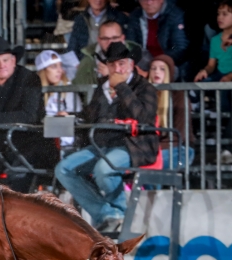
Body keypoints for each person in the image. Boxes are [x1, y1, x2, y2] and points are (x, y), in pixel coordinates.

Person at [55, 42, 158, 233]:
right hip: (100, 144)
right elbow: (89, 117)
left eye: (121, 64)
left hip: (132, 145)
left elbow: (145, 118)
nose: (116, 69)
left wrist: (121, 87)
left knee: (104, 169)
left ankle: (120, 215)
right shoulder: (101, 87)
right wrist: (70, 117)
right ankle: (107, 214)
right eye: (112, 65)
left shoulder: (144, 87)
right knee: (64, 169)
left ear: (130, 64)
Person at [0, 37, 60, 192]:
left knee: (16, 178)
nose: (1, 65)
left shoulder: (29, 78)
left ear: (13, 60)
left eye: (5, 60)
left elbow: (30, 116)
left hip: (30, 148)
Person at [150, 55, 194, 169]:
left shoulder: (179, 96)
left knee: (151, 163)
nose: (157, 72)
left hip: (177, 148)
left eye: (162, 69)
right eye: (153, 68)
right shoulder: (144, 96)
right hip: (152, 148)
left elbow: (180, 134)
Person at [125, 0, 188, 72]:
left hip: (167, 65)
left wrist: (156, 65)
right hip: (142, 64)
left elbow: (180, 48)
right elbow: (131, 45)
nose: (149, 2)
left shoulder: (175, 15)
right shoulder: (135, 16)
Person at [73, 20, 143, 85]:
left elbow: (142, 85)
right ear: (99, 40)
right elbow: (80, 88)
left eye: (115, 38)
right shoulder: (88, 59)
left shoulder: (137, 55)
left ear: (122, 38)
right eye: (105, 38)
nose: (110, 42)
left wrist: (110, 75)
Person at [36, 50, 81, 148]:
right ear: (43, 70)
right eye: (54, 67)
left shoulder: (67, 88)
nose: (59, 70)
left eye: (60, 65)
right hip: (41, 139)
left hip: (65, 140)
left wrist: (68, 115)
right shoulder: (35, 91)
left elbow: (79, 115)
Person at [194, 0, 232, 84]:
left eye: (224, 14)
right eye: (218, 14)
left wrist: (229, 77)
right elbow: (211, 65)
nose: (219, 17)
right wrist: (205, 71)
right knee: (196, 90)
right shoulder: (215, 40)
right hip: (220, 75)